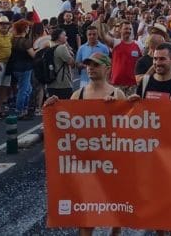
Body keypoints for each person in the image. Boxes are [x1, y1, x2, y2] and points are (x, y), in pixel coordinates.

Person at [43, 52, 124, 236]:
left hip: (110, 163)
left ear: (107, 68)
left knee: (114, 214)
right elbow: (66, 126)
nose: (90, 68)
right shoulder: (77, 94)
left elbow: (130, 128)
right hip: (86, 164)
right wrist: (52, 108)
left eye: (96, 65)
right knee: (86, 216)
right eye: (88, 65)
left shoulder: (117, 93)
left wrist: (117, 108)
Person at [100, 19, 143, 95]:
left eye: (130, 29)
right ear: (120, 30)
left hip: (133, 84)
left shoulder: (138, 44)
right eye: (126, 29)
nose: (128, 31)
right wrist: (100, 23)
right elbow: (104, 37)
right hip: (117, 84)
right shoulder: (115, 43)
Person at [8, 20, 36, 119]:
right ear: (24, 29)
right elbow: (33, 55)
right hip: (25, 67)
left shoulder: (12, 40)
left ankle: (24, 108)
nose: (28, 29)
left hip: (15, 67)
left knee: (27, 88)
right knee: (23, 89)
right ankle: (20, 110)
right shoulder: (25, 41)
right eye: (27, 27)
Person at [46, 29, 75, 100]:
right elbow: (72, 63)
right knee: (67, 105)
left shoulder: (49, 48)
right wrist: (68, 48)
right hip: (63, 84)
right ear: (59, 37)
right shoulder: (62, 48)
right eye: (64, 35)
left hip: (50, 83)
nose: (66, 37)